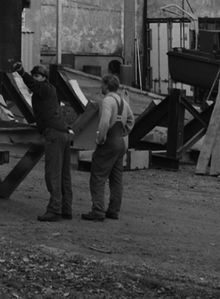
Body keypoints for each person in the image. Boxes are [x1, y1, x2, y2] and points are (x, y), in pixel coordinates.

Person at [12, 61, 73, 221]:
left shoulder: (44, 88)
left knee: (52, 173)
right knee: (64, 174)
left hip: (53, 134)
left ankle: (54, 210)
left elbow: (33, 85)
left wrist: (21, 72)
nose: (34, 78)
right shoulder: (49, 91)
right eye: (33, 75)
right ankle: (66, 209)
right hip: (63, 133)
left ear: (44, 78)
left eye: (37, 76)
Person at [83, 73, 135, 221]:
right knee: (116, 179)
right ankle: (113, 210)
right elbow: (131, 120)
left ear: (106, 86)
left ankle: (98, 211)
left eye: (102, 84)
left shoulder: (107, 101)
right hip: (120, 143)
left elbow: (105, 121)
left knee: (97, 177)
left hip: (109, 143)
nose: (101, 87)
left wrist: (100, 138)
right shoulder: (122, 102)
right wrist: (123, 133)